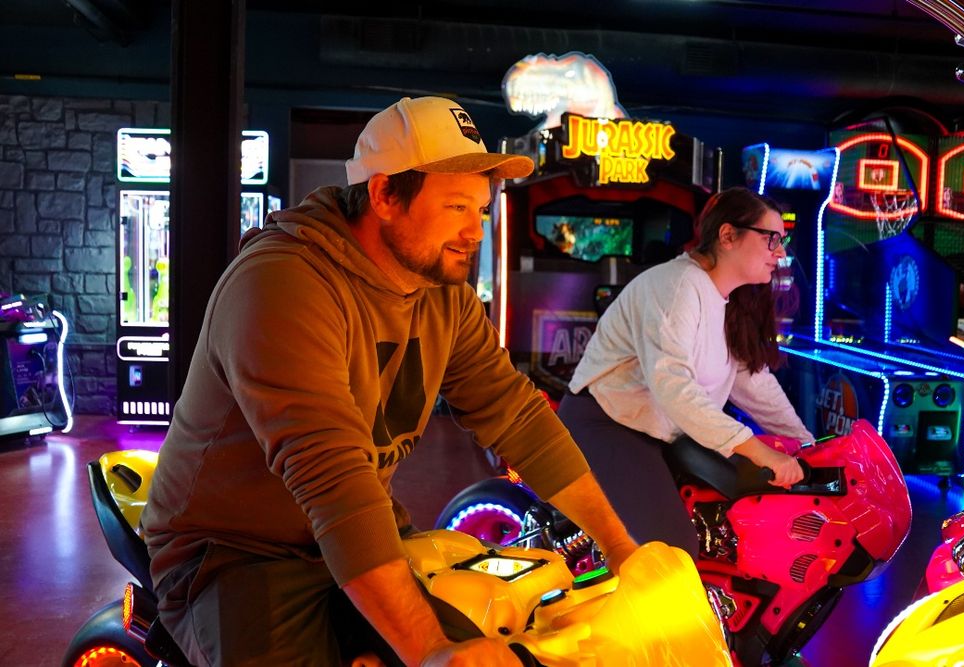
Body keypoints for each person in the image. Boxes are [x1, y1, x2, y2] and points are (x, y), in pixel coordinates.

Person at [140, 96, 638, 667]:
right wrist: (431, 650)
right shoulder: (282, 284)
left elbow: (516, 415)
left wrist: (623, 550)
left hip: (354, 529)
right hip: (236, 552)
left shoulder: (443, 294)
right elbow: (330, 473)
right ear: (383, 195)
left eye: (480, 210)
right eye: (456, 207)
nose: (473, 231)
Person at [557, 186, 813, 559]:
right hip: (609, 423)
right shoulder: (677, 286)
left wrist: (806, 444)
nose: (780, 252)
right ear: (728, 236)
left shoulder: (725, 298)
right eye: (771, 239)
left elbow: (753, 384)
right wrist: (759, 450)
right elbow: (673, 386)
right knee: (674, 550)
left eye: (782, 241)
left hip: (663, 431)